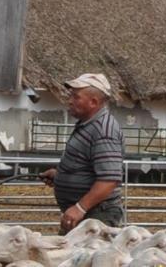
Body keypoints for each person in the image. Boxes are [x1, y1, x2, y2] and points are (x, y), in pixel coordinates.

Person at [40, 73, 125, 234]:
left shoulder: (103, 131)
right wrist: (59, 176)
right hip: (86, 215)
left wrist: (80, 207)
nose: (70, 101)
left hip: (96, 216)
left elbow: (109, 180)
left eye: (76, 97)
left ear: (93, 102)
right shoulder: (88, 125)